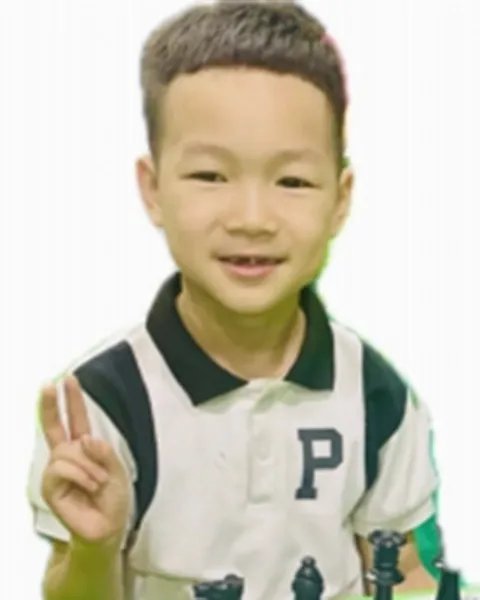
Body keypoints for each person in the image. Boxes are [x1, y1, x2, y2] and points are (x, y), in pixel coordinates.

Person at [27, 2, 445, 599]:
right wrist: (95, 548)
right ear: (153, 189)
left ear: (340, 199)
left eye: (293, 181)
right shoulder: (99, 405)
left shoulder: (377, 394)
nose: (252, 218)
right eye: (210, 176)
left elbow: (402, 572)